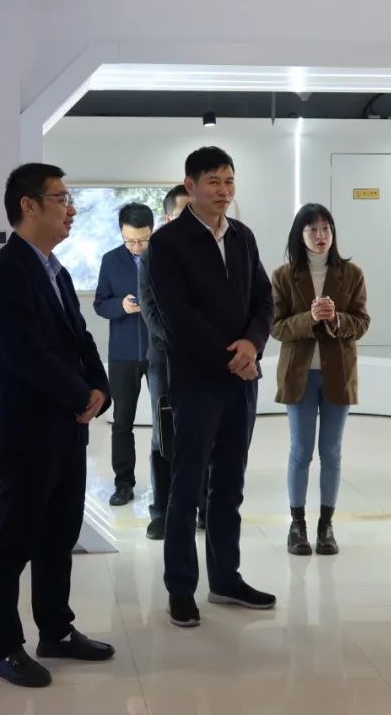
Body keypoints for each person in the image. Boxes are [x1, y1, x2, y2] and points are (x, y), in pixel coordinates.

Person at [0, 163, 115, 688]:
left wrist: (99, 388)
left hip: (66, 427)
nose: (70, 208)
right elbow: (23, 355)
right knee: (14, 541)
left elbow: (81, 338)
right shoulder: (6, 270)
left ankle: (55, 630)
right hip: (27, 430)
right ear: (29, 206)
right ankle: (4, 647)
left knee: (59, 535)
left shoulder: (55, 269)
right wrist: (80, 394)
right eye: (60, 198)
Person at [146, 147, 275, 627]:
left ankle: (225, 579)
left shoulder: (242, 236)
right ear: (191, 186)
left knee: (230, 484)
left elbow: (264, 300)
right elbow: (177, 317)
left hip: (242, 381)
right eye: (214, 182)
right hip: (197, 382)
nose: (224, 191)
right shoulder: (168, 243)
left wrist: (252, 345)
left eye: (229, 181)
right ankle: (181, 588)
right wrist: (232, 358)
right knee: (187, 486)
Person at [270, 203, 369, 557]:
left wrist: (337, 319)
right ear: (300, 235)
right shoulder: (283, 275)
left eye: (326, 227)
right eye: (312, 229)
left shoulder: (351, 273)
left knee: (331, 452)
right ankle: (297, 524)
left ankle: (326, 525)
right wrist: (309, 319)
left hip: (338, 374)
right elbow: (276, 327)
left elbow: (362, 322)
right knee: (300, 451)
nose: (320, 235)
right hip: (298, 375)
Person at [138, 184, 207, 539]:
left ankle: (204, 507)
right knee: (163, 434)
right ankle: (161, 512)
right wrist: (183, 342)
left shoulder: (209, 251)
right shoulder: (152, 254)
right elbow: (149, 309)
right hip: (165, 357)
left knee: (204, 432)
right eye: (184, 212)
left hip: (204, 358)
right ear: (167, 218)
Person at [93, 203, 153, 506]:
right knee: (122, 421)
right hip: (123, 353)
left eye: (143, 240)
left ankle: (168, 484)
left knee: (167, 419)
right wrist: (121, 306)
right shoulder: (110, 260)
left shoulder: (165, 258)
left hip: (160, 352)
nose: (137, 247)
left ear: (152, 231)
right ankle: (124, 483)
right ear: (121, 233)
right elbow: (100, 304)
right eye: (130, 241)